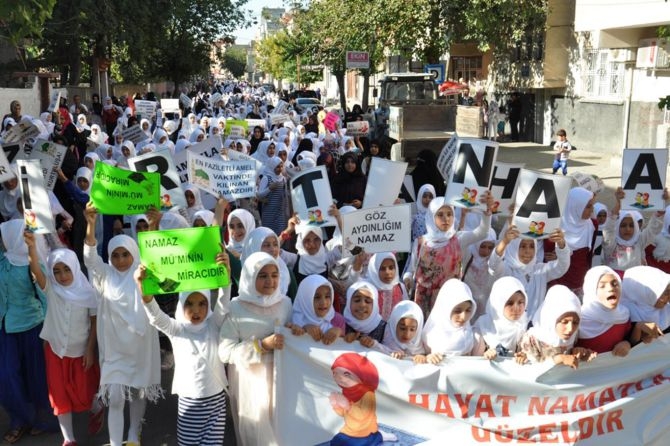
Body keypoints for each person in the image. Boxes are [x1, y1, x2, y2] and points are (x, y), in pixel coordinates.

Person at [83, 204, 162, 446]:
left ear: (134, 254)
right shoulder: (104, 274)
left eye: (125, 254)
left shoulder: (144, 271)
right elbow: (89, 257)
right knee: (116, 396)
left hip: (140, 343)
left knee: (139, 390)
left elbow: (156, 252)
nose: (120, 260)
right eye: (115, 255)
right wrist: (91, 223)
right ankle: (116, 442)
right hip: (114, 347)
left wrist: (153, 225)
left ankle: (132, 435)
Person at [136, 253, 231, 446]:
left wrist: (226, 277)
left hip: (216, 402)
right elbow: (155, 316)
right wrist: (144, 293)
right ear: (181, 304)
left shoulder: (214, 324)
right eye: (190, 303)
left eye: (202, 303)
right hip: (189, 401)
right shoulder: (176, 329)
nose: (196, 310)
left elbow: (223, 303)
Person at [28, 245, 103, 446]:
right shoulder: (52, 289)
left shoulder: (88, 293)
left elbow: (95, 323)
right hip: (55, 350)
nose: (62, 276)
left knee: (83, 395)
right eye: (57, 271)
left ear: (75, 268)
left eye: (67, 269)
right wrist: (31, 247)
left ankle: (96, 408)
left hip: (80, 352)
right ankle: (68, 439)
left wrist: (89, 350)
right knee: (59, 396)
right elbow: (35, 269)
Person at [218, 252, 293, 446]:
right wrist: (260, 346)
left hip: (282, 379)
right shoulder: (236, 307)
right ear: (250, 276)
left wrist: (296, 331)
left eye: (274, 275)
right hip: (251, 383)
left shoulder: (285, 303)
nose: (270, 281)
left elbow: (291, 337)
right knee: (256, 432)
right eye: (262, 275)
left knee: (282, 431)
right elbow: (225, 351)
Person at [0, 220, 56, 444]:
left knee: (35, 377)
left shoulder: (34, 264)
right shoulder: (2, 262)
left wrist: (50, 332)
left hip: (32, 327)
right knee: (7, 376)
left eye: (4, 236)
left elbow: (45, 298)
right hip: (5, 329)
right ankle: (19, 419)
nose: (1, 241)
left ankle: (40, 420)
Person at [403, 196, 492, 319]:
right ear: (431, 216)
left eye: (449, 214)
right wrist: (407, 278)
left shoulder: (458, 239)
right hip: (424, 300)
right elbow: (411, 269)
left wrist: (486, 213)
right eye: (440, 214)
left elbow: (482, 232)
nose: (446, 219)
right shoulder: (420, 242)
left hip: (449, 299)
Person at [576, 265, 663, 355]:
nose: (611, 289)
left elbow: (630, 341)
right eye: (602, 286)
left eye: (615, 284)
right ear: (592, 290)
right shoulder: (578, 320)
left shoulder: (623, 314)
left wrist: (628, 343)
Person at [489, 225, 569, 321]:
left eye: (532, 246)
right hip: (508, 327)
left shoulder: (539, 270)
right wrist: (505, 241)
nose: (528, 251)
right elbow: (493, 265)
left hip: (532, 329)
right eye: (522, 246)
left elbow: (562, 266)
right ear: (514, 247)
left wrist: (560, 243)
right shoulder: (506, 270)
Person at [517, 285, 596, 368]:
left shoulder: (574, 335)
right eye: (564, 322)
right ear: (551, 319)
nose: (570, 329)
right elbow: (529, 370)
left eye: (575, 323)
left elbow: (571, 357)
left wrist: (579, 352)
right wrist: (560, 359)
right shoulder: (531, 341)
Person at [545, 187, 597, 296]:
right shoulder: (555, 229)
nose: (592, 210)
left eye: (592, 205)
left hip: (581, 284)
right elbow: (547, 259)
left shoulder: (592, 225)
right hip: (558, 286)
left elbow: (588, 257)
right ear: (575, 206)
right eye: (588, 206)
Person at [601, 187, 664, 275]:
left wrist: (660, 211)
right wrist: (618, 205)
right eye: (623, 225)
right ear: (617, 226)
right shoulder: (611, 245)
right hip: (616, 285)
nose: (628, 229)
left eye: (631, 225)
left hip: (635, 284)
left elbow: (653, 229)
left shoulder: (639, 241)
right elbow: (608, 229)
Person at [422, 279, 485, 363]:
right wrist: (427, 358)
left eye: (468, 310)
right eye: (457, 311)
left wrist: (488, 354)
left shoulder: (475, 337)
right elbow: (418, 360)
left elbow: (480, 367)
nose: (463, 317)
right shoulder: (430, 335)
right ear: (445, 308)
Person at [329, 353, 383, 446]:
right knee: (335, 442)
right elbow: (343, 414)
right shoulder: (346, 391)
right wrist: (336, 405)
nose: (339, 378)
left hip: (364, 431)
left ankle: (376, 436)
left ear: (360, 375)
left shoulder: (368, 394)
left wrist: (347, 405)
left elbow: (363, 415)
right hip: (350, 431)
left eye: (346, 374)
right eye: (335, 373)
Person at [474, 276, 528, 361]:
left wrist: (526, 356)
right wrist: (485, 355)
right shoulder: (483, 326)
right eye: (510, 303)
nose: (516, 308)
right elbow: (472, 360)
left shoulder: (527, 325)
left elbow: (534, 356)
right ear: (498, 303)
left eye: (520, 302)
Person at [291, 275, 344, 345]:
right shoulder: (293, 320)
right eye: (317, 297)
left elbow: (347, 348)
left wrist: (339, 332)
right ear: (305, 299)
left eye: (327, 296)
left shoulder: (338, 320)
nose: (323, 302)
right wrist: (304, 329)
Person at [622, 265, 670, 334]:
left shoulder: (666, 310)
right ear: (646, 293)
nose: (669, 297)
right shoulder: (624, 317)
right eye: (666, 292)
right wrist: (638, 328)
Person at [365, 252, 408, 321]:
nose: (387, 272)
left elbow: (406, 310)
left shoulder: (400, 287)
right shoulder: (367, 289)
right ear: (374, 269)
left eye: (391, 268)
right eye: (382, 268)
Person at [343, 281, 387, 348]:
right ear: (349, 302)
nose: (362, 305)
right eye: (357, 300)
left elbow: (391, 351)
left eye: (368, 301)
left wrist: (374, 344)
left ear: (375, 305)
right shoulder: (340, 323)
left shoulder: (385, 328)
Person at [256, 157, 287, 236]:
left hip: (280, 212)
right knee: (268, 233)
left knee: (281, 234)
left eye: (281, 166)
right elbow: (259, 194)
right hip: (269, 211)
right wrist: (269, 188)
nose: (280, 169)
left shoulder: (283, 179)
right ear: (272, 166)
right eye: (277, 167)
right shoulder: (266, 178)